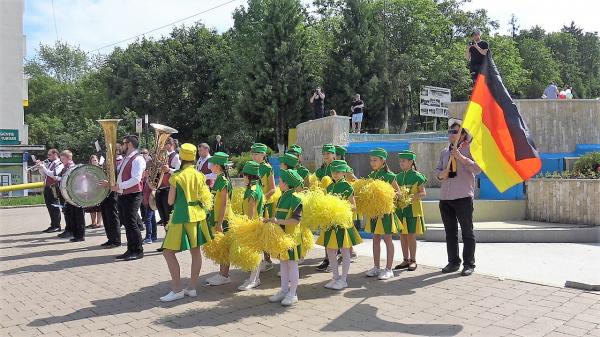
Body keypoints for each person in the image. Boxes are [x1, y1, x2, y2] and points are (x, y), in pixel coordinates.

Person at [159, 143, 214, 302]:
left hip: (182, 216)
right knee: (195, 252)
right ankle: (191, 288)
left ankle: (177, 290)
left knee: (168, 252)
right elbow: (204, 196)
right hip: (197, 216)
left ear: (181, 157)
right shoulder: (200, 175)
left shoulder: (176, 177)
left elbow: (170, 202)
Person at [435, 121, 481, 277]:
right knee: (450, 232)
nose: (451, 134)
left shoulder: (470, 149)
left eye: (455, 131)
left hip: (463, 197)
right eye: (449, 131)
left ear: (463, 135)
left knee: (467, 232)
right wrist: (442, 174)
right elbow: (438, 173)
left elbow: (477, 169)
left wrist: (460, 157)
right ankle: (453, 261)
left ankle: (469, 264)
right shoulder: (444, 152)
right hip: (446, 198)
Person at [316, 160, 362, 290]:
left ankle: (344, 279)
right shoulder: (329, 187)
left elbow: (354, 206)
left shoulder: (347, 186)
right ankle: (335, 277)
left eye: (338, 172)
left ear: (343, 173)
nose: (335, 174)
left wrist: (340, 208)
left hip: (343, 223)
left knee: (345, 250)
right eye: (333, 172)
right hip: (331, 223)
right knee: (331, 249)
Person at [101, 135, 146, 261]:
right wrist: (111, 184)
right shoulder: (128, 158)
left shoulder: (138, 159)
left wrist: (118, 186)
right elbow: (121, 176)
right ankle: (130, 249)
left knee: (131, 223)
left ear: (130, 144)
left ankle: (138, 250)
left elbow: (136, 179)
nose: (121, 146)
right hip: (124, 194)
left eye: (123, 143)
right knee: (127, 223)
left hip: (133, 195)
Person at [266, 169, 304, 306]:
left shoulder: (296, 199)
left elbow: (295, 221)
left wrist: (277, 222)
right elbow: (278, 217)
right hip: (281, 237)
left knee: (292, 265)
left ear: (287, 184)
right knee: (282, 263)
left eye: (280, 181)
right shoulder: (282, 197)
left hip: (292, 238)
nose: (278, 183)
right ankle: (283, 290)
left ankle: (293, 293)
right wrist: (270, 221)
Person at [365, 148, 401, 280]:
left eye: (375, 160)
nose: (372, 163)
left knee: (387, 239)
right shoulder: (371, 176)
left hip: (386, 213)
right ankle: (376, 267)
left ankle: (389, 269)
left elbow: (399, 194)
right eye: (371, 160)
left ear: (383, 161)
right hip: (375, 213)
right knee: (375, 238)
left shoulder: (390, 176)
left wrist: (387, 195)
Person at [394, 150, 427, 271]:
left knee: (411, 236)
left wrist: (413, 197)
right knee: (402, 235)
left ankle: (413, 260)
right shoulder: (397, 177)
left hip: (412, 211)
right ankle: (405, 260)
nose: (401, 163)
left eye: (404, 161)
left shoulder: (417, 176)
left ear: (411, 162)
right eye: (400, 161)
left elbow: (423, 193)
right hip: (401, 210)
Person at [205, 152, 234, 286]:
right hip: (218, 218)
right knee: (222, 246)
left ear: (217, 165)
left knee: (224, 247)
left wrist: (220, 223)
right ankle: (222, 273)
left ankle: (224, 275)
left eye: (212, 164)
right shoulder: (220, 179)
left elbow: (223, 204)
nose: (210, 166)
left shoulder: (222, 181)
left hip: (223, 219)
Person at [238, 161, 265, 291]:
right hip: (256, 224)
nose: (243, 178)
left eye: (244, 176)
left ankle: (254, 279)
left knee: (255, 252)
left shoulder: (252, 191)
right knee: (256, 251)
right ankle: (254, 278)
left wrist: (246, 227)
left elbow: (251, 213)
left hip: (253, 225)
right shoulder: (256, 187)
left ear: (249, 176)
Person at [251, 143, 276, 272]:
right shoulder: (250, 167)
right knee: (256, 232)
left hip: (266, 205)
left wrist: (262, 198)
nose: (254, 156)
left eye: (257, 154)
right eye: (253, 154)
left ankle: (268, 260)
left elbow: (273, 189)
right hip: (254, 204)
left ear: (264, 155)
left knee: (265, 232)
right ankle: (258, 260)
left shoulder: (267, 168)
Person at [154, 138, 180, 252]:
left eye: (165, 144)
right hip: (160, 189)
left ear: (171, 144)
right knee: (164, 218)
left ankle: (174, 243)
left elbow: (180, 172)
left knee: (169, 218)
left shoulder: (176, 157)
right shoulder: (161, 157)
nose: (163, 147)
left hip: (169, 190)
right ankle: (168, 242)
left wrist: (168, 170)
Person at [55, 150, 86, 242]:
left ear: (68, 158)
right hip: (71, 194)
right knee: (72, 215)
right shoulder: (66, 167)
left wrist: (58, 178)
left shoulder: (73, 167)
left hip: (77, 194)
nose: (61, 160)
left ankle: (80, 235)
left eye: (63, 159)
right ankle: (76, 234)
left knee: (78, 215)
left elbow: (73, 179)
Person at [315, 144, 336, 272]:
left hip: (336, 205)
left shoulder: (339, 166)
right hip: (324, 204)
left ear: (334, 155)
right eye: (324, 154)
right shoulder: (320, 170)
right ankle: (327, 258)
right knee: (326, 232)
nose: (326, 156)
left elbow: (351, 179)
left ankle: (335, 258)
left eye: (328, 153)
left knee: (334, 231)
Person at [37, 148, 63, 233]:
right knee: (49, 206)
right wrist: (40, 168)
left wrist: (43, 167)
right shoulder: (51, 163)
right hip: (47, 187)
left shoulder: (59, 163)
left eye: (49, 155)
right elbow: (45, 174)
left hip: (54, 187)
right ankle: (53, 225)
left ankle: (57, 226)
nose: (48, 157)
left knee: (54, 206)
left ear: (55, 154)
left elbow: (53, 174)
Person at [141, 149, 158, 245]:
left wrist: (147, 180)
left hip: (151, 197)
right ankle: (154, 236)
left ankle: (148, 237)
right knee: (152, 219)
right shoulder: (147, 175)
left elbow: (154, 187)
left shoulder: (153, 176)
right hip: (147, 197)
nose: (147, 171)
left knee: (148, 219)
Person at [84, 155, 103, 229]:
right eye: (92, 160)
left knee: (99, 208)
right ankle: (93, 222)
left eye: (95, 160)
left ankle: (99, 223)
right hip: (91, 190)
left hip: (99, 190)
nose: (94, 161)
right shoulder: (89, 169)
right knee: (91, 207)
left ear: (98, 161)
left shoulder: (101, 169)